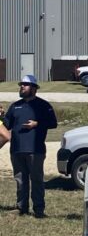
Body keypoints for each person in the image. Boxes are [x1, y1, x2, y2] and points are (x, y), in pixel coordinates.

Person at [1, 74, 57, 218]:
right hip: (17, 149)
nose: (22, 87)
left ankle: (39, 209)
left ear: (33, 88)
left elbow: (53, 123)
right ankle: (21, 207)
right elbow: (7, 125)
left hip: (35, 150)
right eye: (21, 85)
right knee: (20, 179)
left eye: (25, 85)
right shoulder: (15, 106)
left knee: (36, 179)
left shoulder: (43, 105)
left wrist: (37, 124)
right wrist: (1, 116)